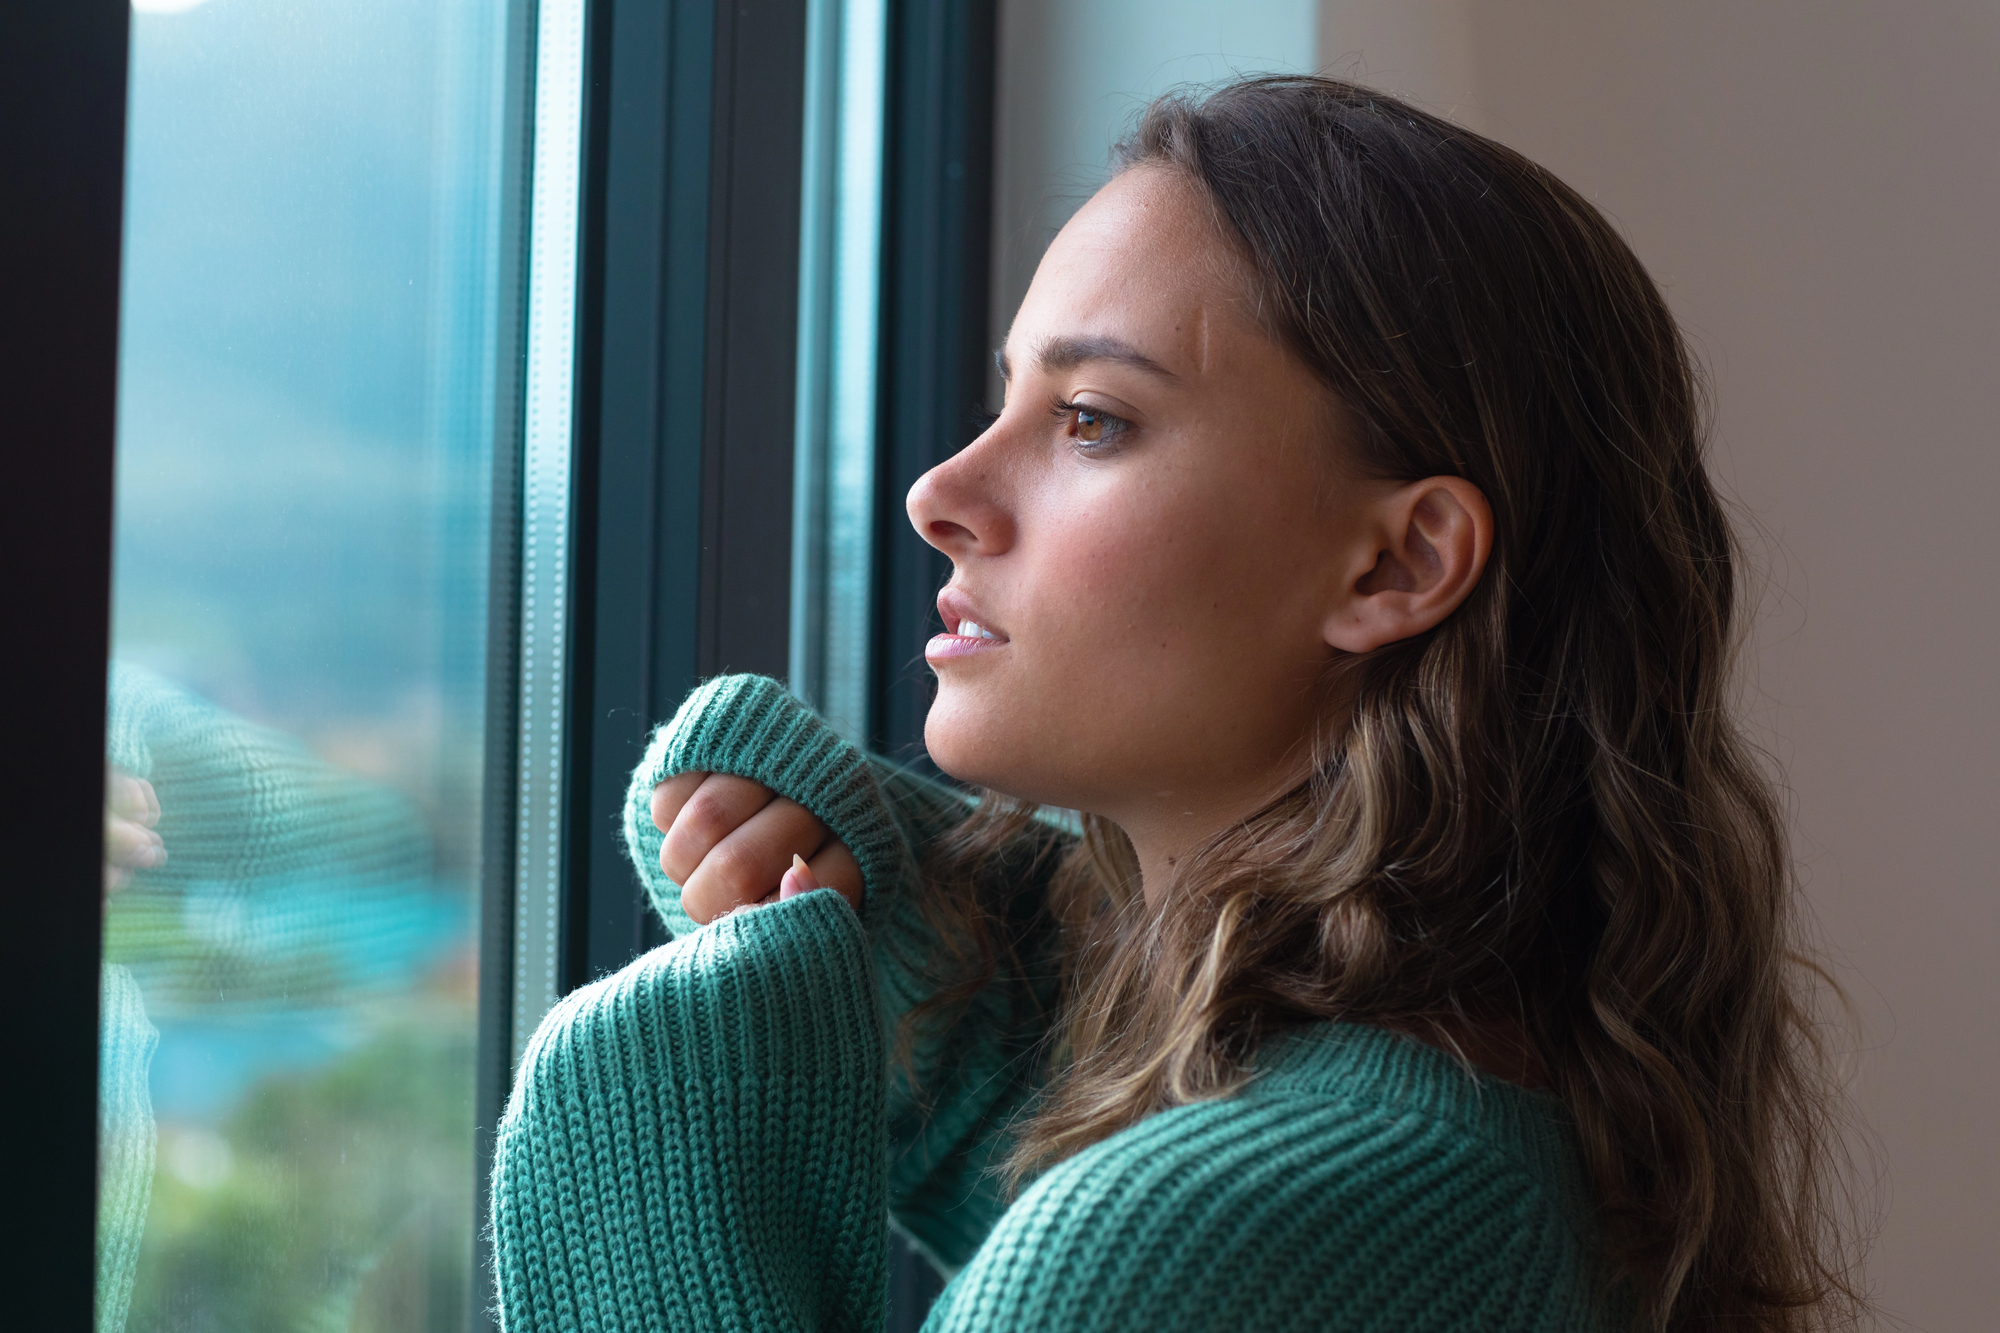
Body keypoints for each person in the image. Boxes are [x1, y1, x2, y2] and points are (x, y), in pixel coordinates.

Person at [490, 77, 1863, 1331]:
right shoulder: (1503, 1129)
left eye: (1092, 419)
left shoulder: (1178, 1243)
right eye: (1003, 401)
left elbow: (1161, 1254)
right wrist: (948, 989)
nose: (941, 492)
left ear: (1395, 562)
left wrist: (644, 1175)